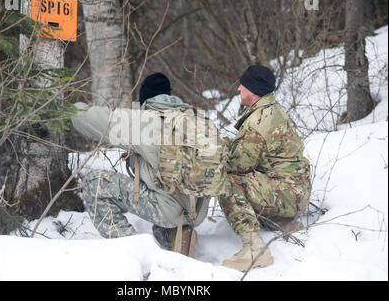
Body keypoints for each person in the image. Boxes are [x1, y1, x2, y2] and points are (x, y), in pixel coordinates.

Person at [71, 73, 210, 256]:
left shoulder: (144, 122)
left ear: (144, 98)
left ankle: (134, 252)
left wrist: (70, 107)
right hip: (198, 212)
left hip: (168, 211)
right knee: (160, 184)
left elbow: (91, 120)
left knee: (94, 182)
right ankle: (175, 234)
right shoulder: (196, 120)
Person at [220, 65, 312, 271]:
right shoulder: (272, 111)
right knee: (251, 179)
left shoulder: (258, 121)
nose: (238, 89)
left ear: (253, 90)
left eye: (242, 85)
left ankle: (254, 249)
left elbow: (238, 166)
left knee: (227, 181)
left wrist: (215, 153)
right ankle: (281, 221)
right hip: (295, 192)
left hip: (287, 193)